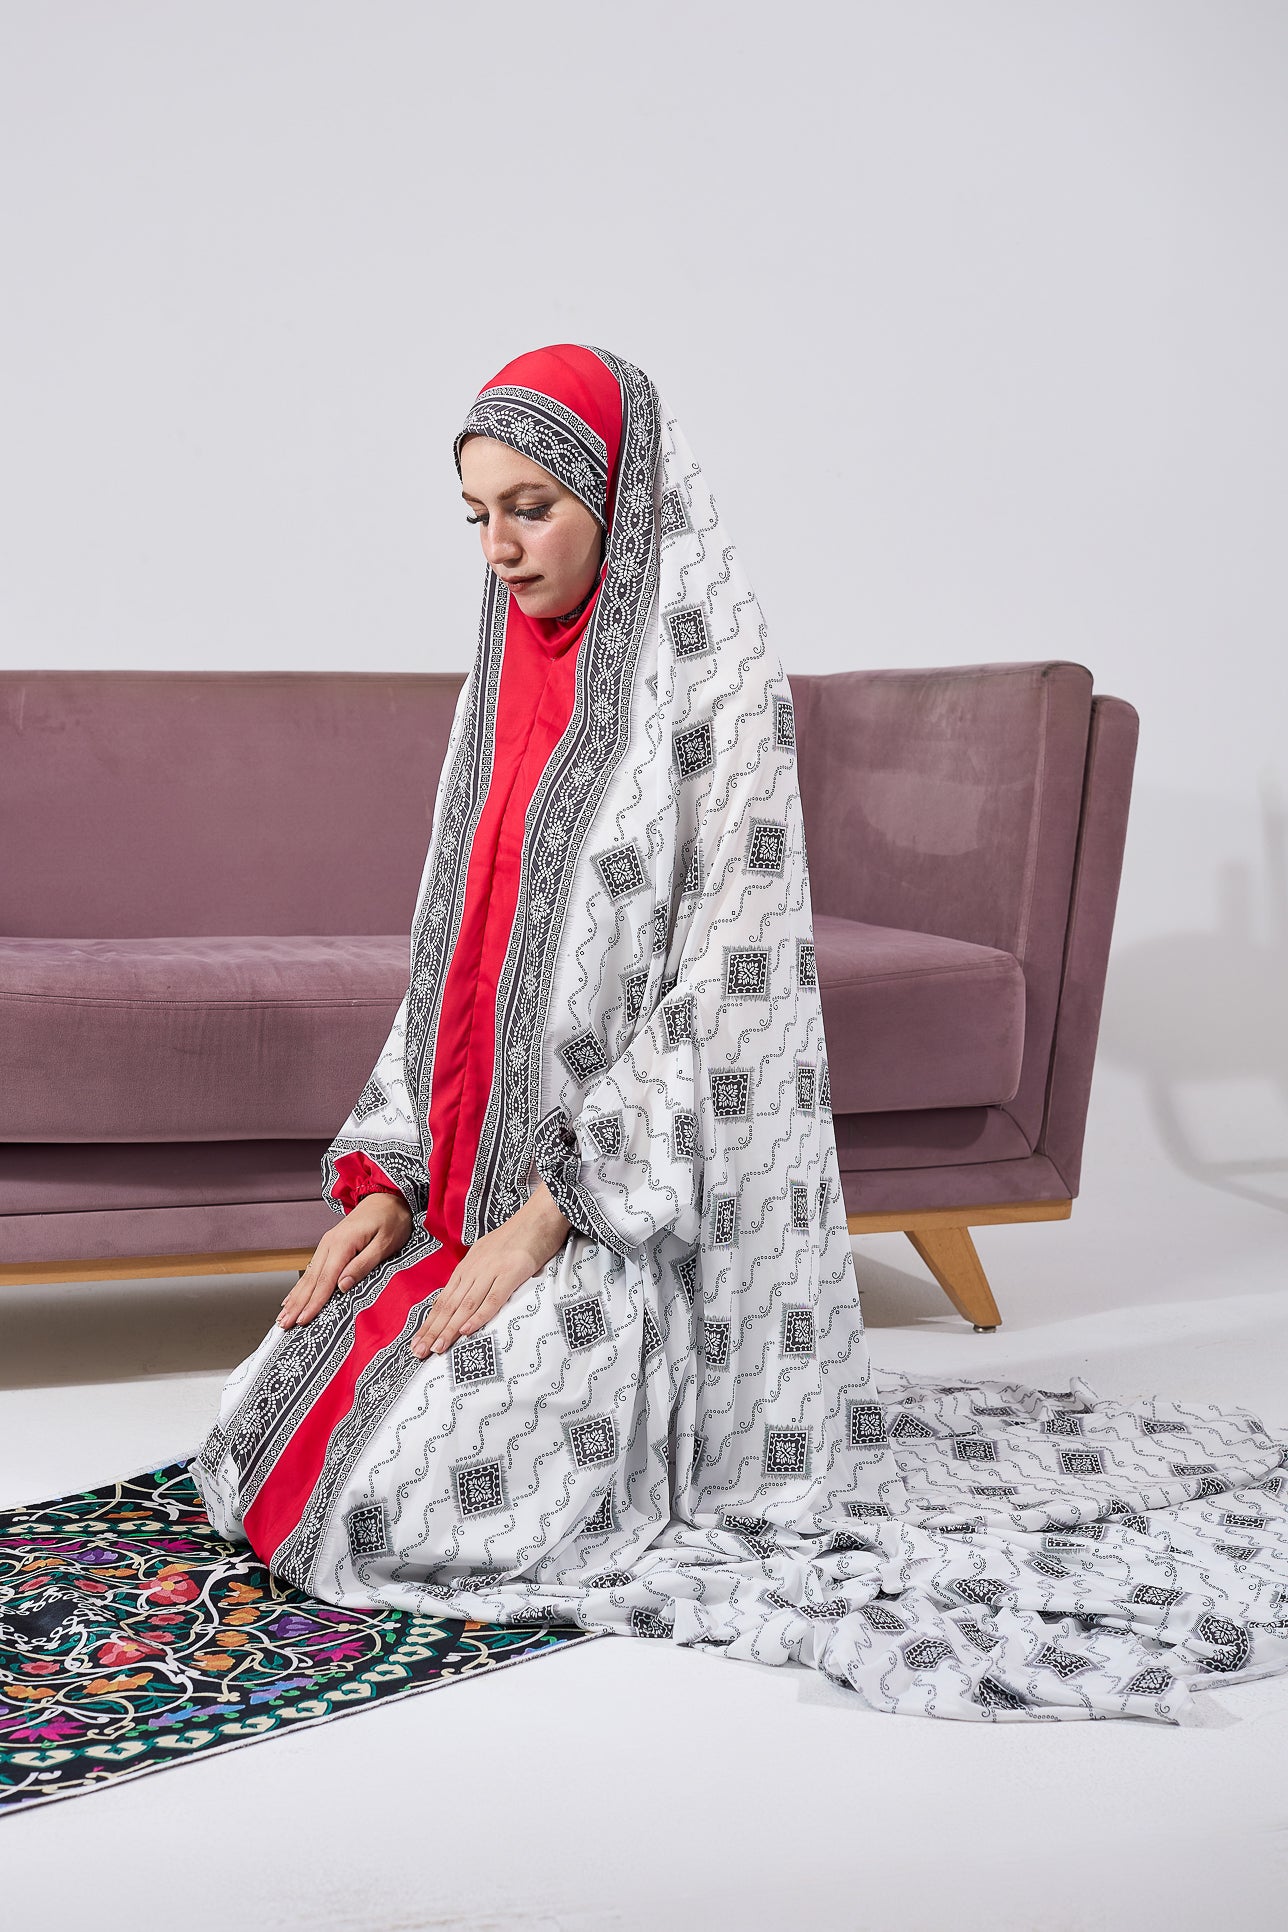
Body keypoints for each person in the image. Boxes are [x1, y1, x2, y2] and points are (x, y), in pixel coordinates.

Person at [193, 344, 1288, 1722]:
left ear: (617, 490)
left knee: (400, 1504)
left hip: (624, 1219)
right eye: (476, 515)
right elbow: (444, 954)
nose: (499, 548)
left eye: (531, 506)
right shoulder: (502, 677)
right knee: (252, 1438)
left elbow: (728, 995)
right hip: (458, 1197)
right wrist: (388, 1181)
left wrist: (549, 1218)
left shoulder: (717, 688)